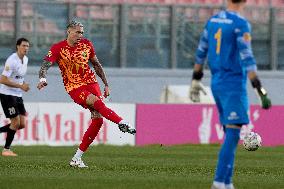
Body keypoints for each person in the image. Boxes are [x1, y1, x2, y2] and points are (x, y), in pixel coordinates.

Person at [189, 0, 271, 189]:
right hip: (233, 83)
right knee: (233, 133)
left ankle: (227, 183)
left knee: (230, 132)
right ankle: (219, 182)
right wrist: (259, 89)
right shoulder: (240, 24)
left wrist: (195, 80)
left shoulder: (213, 21)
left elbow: (201, 52)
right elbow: (247, 57)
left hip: (216, 82)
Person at [37, 20, 136, 168]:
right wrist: (42, 78)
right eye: (77, 32)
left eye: (82, 32)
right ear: (69, 31)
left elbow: (96, 64)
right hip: (75, 87)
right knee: (96, 102)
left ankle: (77, 158)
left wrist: (106, 84)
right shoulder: (58, 48)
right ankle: (121, 122)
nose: (80, 35)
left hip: (92, 83)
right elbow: (45, 65)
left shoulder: (87, 44)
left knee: (98, 120)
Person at [0, 38, 30, 156]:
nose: (26, 48)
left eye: (27, 46)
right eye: (23, 46)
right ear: (18, 46)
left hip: (18, 94)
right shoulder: (12, 60)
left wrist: (23, 86)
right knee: (15, 122)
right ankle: (6, 149)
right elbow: (2, 79)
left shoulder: (26, 59)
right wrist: (20, 86)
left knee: (22, 124)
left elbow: (18, 77)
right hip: (7, 94)